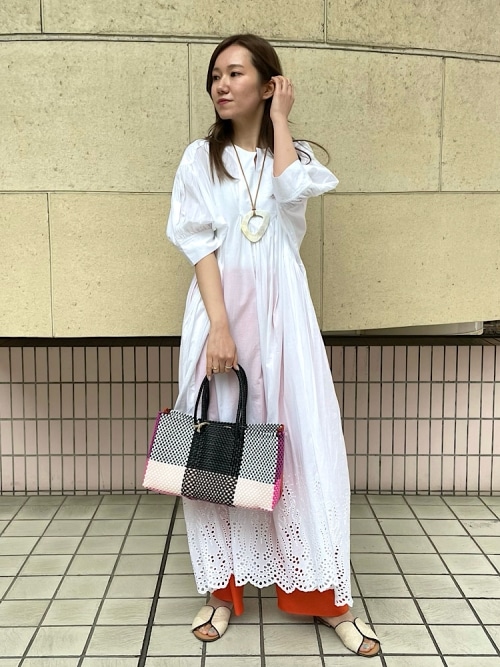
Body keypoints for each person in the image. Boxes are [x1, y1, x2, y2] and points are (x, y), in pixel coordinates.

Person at [166, 33, 381, 658]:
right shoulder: (198, 159)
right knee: (217, 447)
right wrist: (219, 326)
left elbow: (289, 191)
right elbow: (198, 242)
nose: (221, 85)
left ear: (269, 84)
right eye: (215, 75)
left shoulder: (295, 155)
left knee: (301, 445)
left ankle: (327, 599)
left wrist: (281, 120)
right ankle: (222, 592)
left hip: (285, 319)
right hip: (221, 314)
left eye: (235, 73)